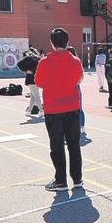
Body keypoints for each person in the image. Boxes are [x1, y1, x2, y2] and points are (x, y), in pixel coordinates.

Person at [35, 29, 84, 191]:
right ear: (67, 41)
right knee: (74, 145)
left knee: (57, 145)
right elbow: (80, 79)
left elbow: (39, 83)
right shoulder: (75, 60)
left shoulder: (44, 62)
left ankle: (60, 181)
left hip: (54, 109)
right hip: (72, 107)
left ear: (52, 43)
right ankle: (77, 179)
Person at [66, 47, 87, 135]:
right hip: (75, 86)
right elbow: (81, 76)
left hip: (69, 87)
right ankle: (81, 126)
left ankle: (77, 126)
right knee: (78, 108)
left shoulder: (67, 62)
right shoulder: (77, 61)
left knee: (70, 108)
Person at [18, 49, 43, 117]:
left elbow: (19, 64)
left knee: (36, 96)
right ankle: (29, 111)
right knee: (33, 96)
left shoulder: (28, 58)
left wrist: (26, 70)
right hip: (37, 79)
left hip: (31, 80)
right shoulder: (38, 58)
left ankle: (41, 111)